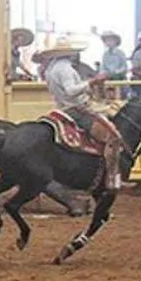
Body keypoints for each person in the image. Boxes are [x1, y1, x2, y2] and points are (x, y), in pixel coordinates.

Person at [36, 37, 124, 191]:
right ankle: (112, 178)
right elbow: (71, 91)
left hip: (64, 108)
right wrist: (92, 82)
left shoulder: (52, 69)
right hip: (78, 109)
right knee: (114, 137)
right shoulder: (65, 69)